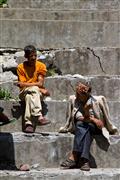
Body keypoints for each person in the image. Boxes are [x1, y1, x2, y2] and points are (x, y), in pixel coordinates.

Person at [59, 82, 118, 171]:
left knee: (84, 125)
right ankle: (84, 160)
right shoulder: (73, 99)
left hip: (97, 128)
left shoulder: (98, 100)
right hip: (84, 126)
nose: (77, 95)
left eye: (80, 94)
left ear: (87, 94)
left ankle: (74, 156)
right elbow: (78, 118)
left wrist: (95, 120)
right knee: (84, 127)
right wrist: (92, 118)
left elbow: (103, 121)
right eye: (77, 92)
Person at [16, 45, 50, 133]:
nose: (34, 58)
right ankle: (39, 116)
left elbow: (40, 83)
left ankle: (28, 124)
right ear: (26, 57)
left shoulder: (41, 66)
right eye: (31, 56)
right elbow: (23, 87)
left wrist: (24, 83)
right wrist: (40, 89)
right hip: (24, 92)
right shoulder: (20, 67)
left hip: (37, 94)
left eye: (35, 55)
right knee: (34, 89)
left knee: (29, 96)